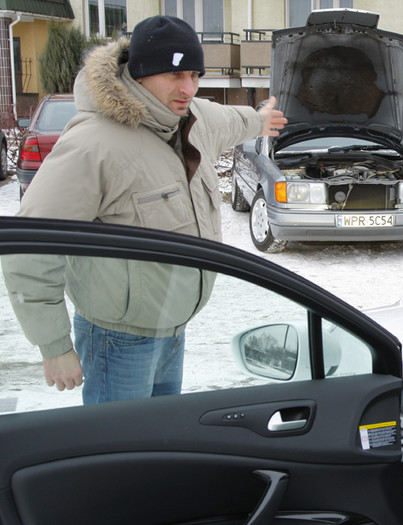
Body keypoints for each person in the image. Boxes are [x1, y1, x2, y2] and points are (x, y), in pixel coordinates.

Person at [1, 15, 286, 404]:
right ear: (140, 74)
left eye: (195, 75)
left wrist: (259, 120)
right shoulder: (94, 144)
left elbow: (230, 120)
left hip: (173, 329)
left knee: (157, 444)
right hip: (116, 340)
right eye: (175, 75)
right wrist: (54, 345)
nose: (188, 88)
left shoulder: (189, 118)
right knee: (116, 454)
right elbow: (31, 246)